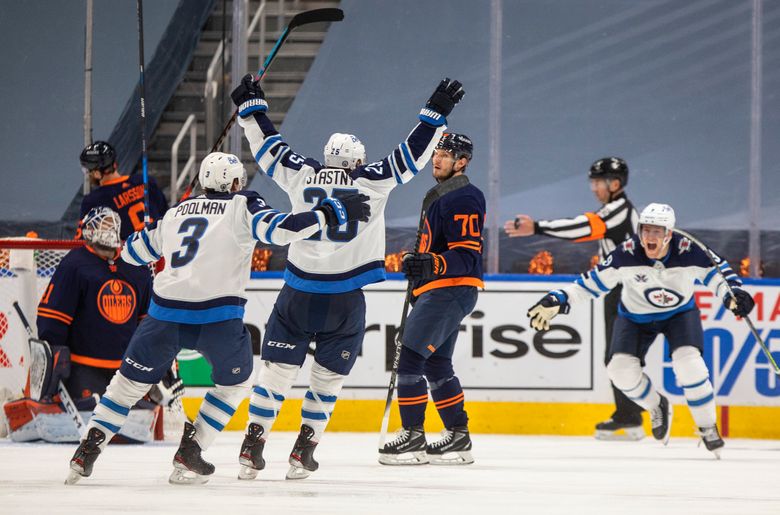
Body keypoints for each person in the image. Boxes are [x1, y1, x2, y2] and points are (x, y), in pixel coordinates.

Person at [65, 152, 369, 485]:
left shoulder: (176, 212)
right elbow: (283, 231)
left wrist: (154, 228)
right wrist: (332, 211)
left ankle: (86, 452)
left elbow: (132, 253)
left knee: (125, 387)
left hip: (164, 316)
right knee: (235, 384)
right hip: (217, 319)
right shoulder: (244, 205)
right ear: (236, 182)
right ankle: (192, 449)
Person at [230, 75, 464, 479]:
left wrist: (253, 108)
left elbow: (269, 149)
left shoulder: (302, 174)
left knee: (276, 374)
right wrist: (435, 113)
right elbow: (412, 154)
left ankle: (254, 442)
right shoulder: (370, 180)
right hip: (345, 299)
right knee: (328, 378)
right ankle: (304, 449)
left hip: (297, 294)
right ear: (357, 161)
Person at [526, 203, 754, 458]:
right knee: (619, 371)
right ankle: (657, 406)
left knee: (690, 365)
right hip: (635, 317)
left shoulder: (690, 250)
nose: (649, 237)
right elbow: (590, 284)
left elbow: (719, 274)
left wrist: (733, 294)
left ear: (669, 233)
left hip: (679, 314)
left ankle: (706, 425)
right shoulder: (626, 254)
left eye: (657, 232)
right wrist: (559, 299)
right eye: (645, 230)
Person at [2, 207, 171, 443]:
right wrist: (54, 355)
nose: (108, 229)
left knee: (136, 423)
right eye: (102, 225)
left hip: (124, 370)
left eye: (111, 224)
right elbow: (53, 317)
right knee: (90, 413)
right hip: (83, 367)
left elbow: (147, 321)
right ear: (89, 231)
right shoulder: (75, 264)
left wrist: (155, 357)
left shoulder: (137, 267)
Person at [503, 156, 644, 440]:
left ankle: (632, 418)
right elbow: (587, 229)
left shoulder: (618, 210)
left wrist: (538, 227)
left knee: (619, 355)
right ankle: (630, 415)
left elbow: (584, 227)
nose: (593, 188)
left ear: (614, 184)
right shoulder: (616, 211)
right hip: (619, 289)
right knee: (618, 355)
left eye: (598, 182)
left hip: (626, 291)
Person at [378, 132, 485, 466]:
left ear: (462, 162)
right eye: (436, 152)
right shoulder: (441, 194)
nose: (436, 159)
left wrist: (432, 263)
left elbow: (466, 255)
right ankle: (458, 437)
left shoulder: (465, 196)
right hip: (439, 288)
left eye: (445, 154)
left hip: (451, 287)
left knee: (409, 359)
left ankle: (412, 436)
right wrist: (421, 269)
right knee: (437, 363)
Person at [79, 140, 169, 240]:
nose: (87, 174)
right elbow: (166, 216)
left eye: (87, 171)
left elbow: (82, 240)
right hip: (159, 248)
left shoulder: (94, 200)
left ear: (96, 173)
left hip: (127, 253)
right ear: (114, 164)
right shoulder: (145, 181)